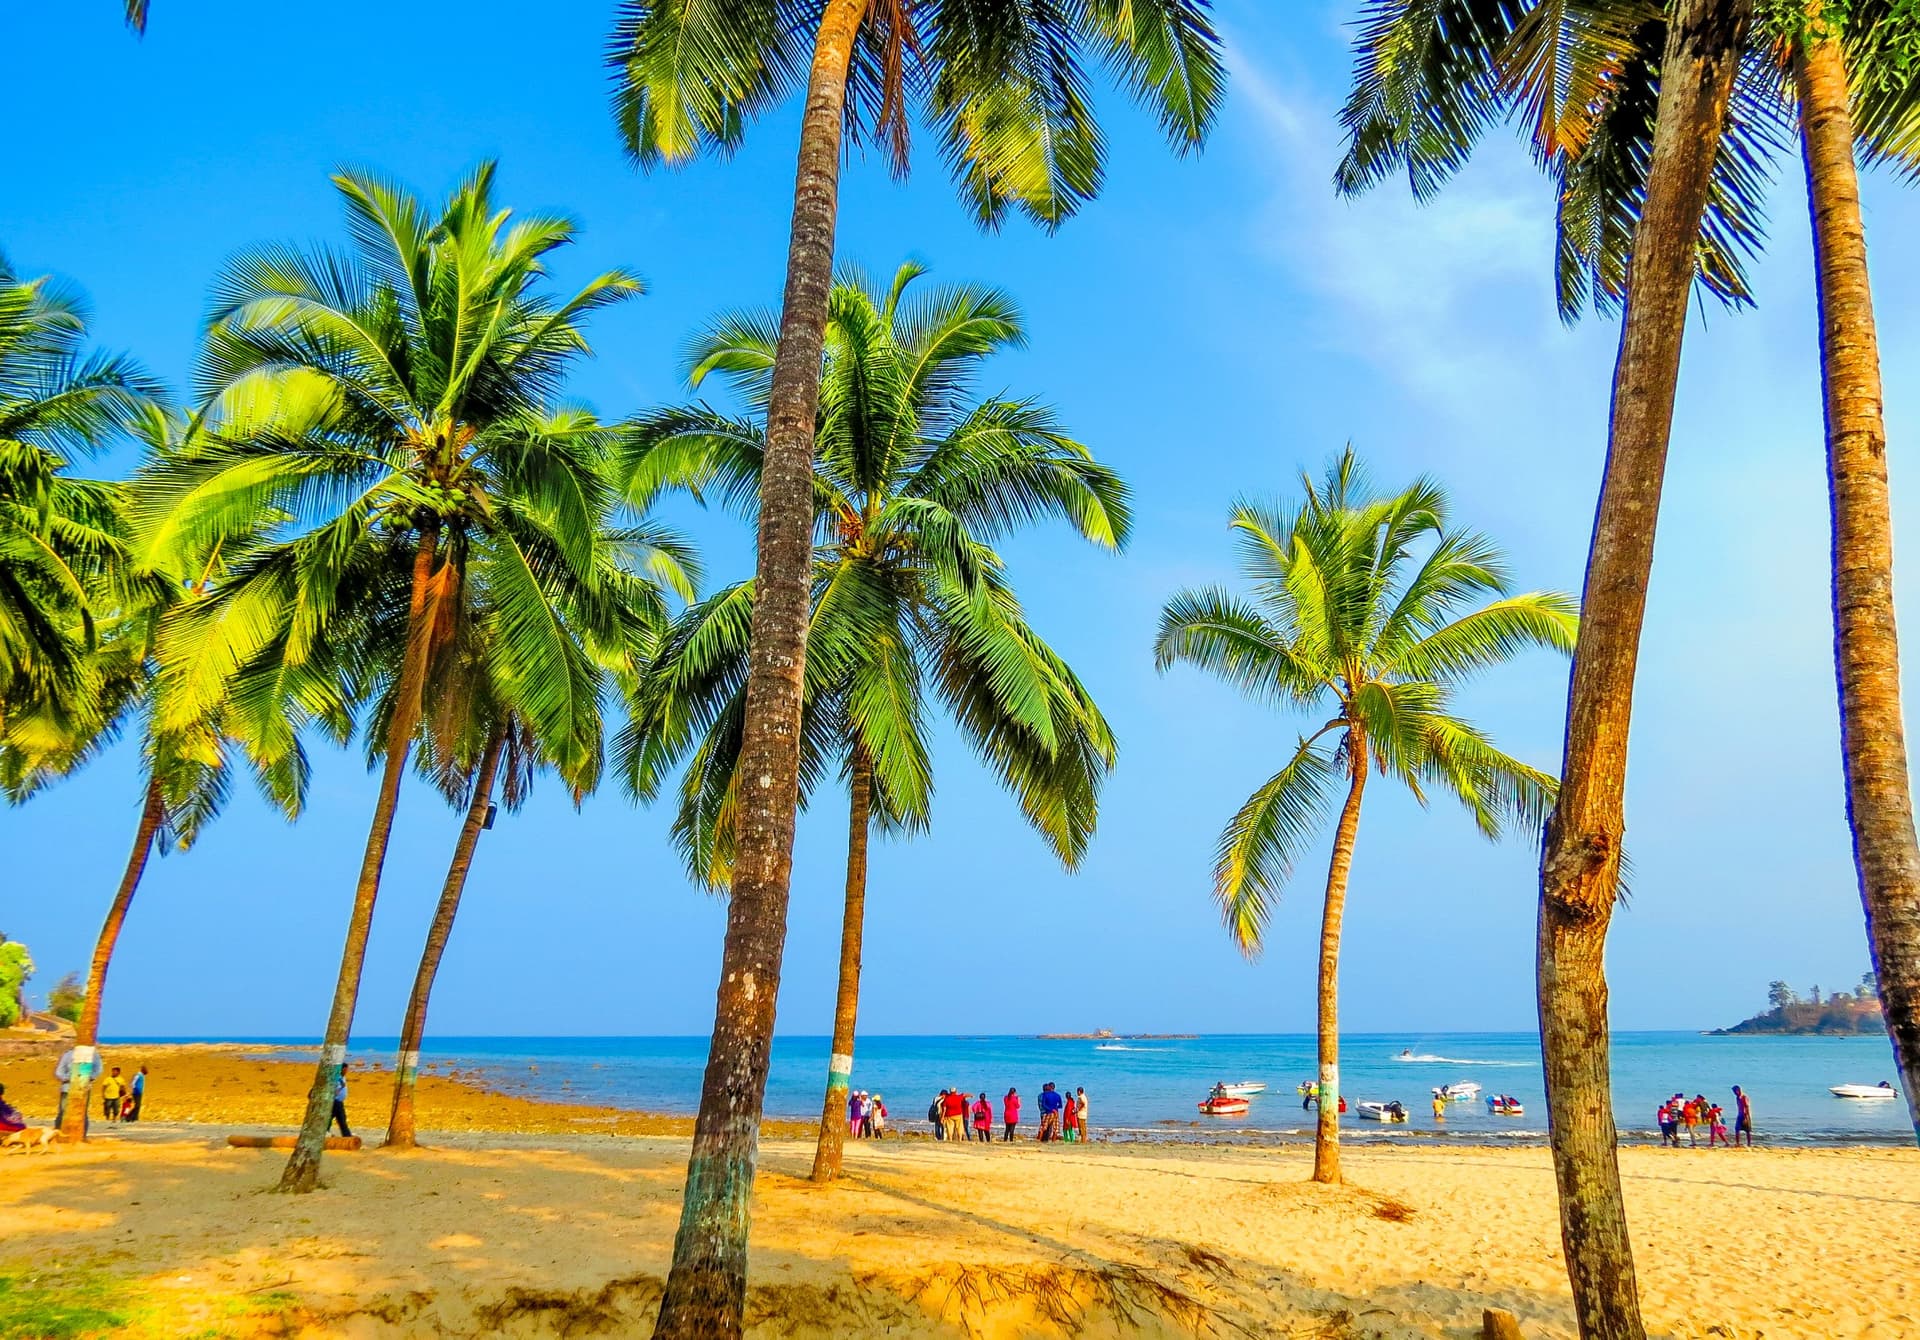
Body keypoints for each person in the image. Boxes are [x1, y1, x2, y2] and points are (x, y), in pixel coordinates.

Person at [329, 1063, 352, 1138]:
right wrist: (341, 1087)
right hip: (335, 1101)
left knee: (341, 1118)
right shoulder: (337, 1078)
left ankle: (346, 1135)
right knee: (341, 1119)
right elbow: (334, 1091)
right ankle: (347, 1136)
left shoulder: (343, 1077)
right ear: (342, 1069)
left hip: (339, 1101)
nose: (347, 1071)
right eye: (346, 1069)